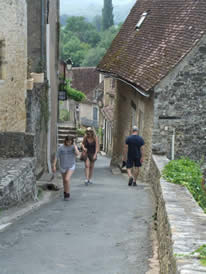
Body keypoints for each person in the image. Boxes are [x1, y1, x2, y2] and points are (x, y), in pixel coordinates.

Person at [52, 136, 79, 201]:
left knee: (67, 179)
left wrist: (75, 145)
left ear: (72, 142)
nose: (69, 143)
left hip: (71, 166)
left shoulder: (73, 147)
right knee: (64, 181)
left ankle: (67, 194)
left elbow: (77, 154)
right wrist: (54, 166)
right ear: (65, 141)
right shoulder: (61, 148)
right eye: (68, 141)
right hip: (62, 166)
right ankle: (65, 192)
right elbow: (56, 156)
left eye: (70, 142)